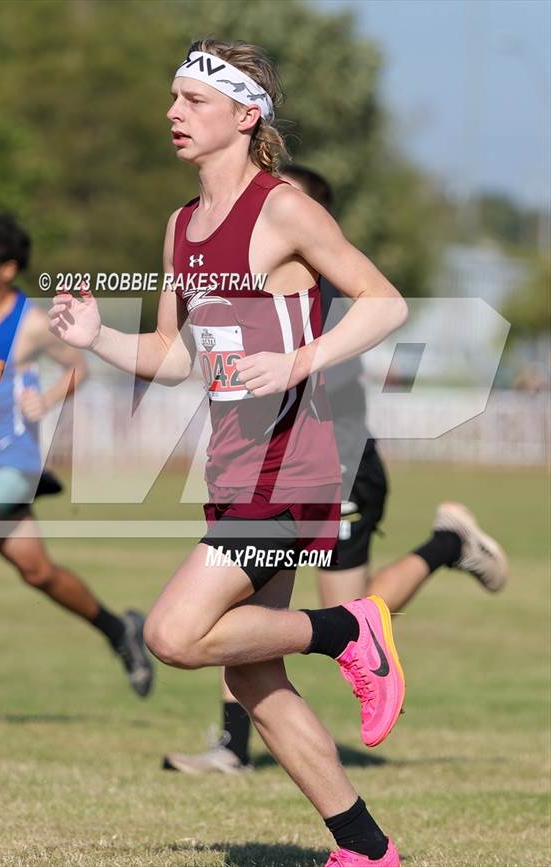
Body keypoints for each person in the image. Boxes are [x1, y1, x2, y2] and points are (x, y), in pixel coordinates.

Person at [50, 39, 410, 867]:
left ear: (246, 116)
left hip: (296, 460)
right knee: (251, 677)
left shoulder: (282, 207)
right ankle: (366, 849)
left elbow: (382, 302)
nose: (173, 113)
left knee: (177, 635)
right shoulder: (180, 226)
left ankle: (345, 628)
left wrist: (297, 359)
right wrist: (98, 334)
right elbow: (177, 356)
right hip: (234, 468)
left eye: (193, 101)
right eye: (173, 98)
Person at [162, 165, 510, 777]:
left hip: (338, 470)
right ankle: (234, 746)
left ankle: (442, 546)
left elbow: (346, 367)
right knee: (248, 619)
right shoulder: (252, 280)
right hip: (268, 478)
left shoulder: (320, 298)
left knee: (341, 607)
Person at [0, 212, 154, 716]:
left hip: (11, 458)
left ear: (8, 269)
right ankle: (119, 630)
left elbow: (78, 368)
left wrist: (46, 398)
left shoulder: (32, 323)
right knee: (37, 571)